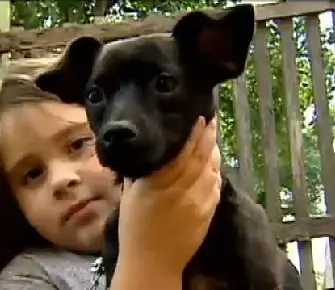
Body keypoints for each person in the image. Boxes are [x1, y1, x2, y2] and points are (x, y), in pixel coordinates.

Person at [0, 75, 221, 290]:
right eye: (33, 174)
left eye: (78, 144)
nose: (61, 179)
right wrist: (151, 261)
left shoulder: (214, 228)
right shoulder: (28, 277)